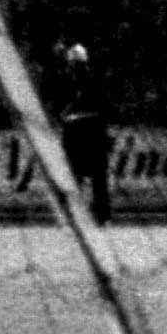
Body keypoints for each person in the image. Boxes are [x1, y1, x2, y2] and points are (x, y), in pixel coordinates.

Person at [50, 38, 113, 224]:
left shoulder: (72, 81)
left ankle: (86, 212)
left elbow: (58, 106)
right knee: (91, 175)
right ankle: (95, 213)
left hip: (83, 130)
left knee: (84, 174)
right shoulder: (86, 80)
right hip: (88, 131)